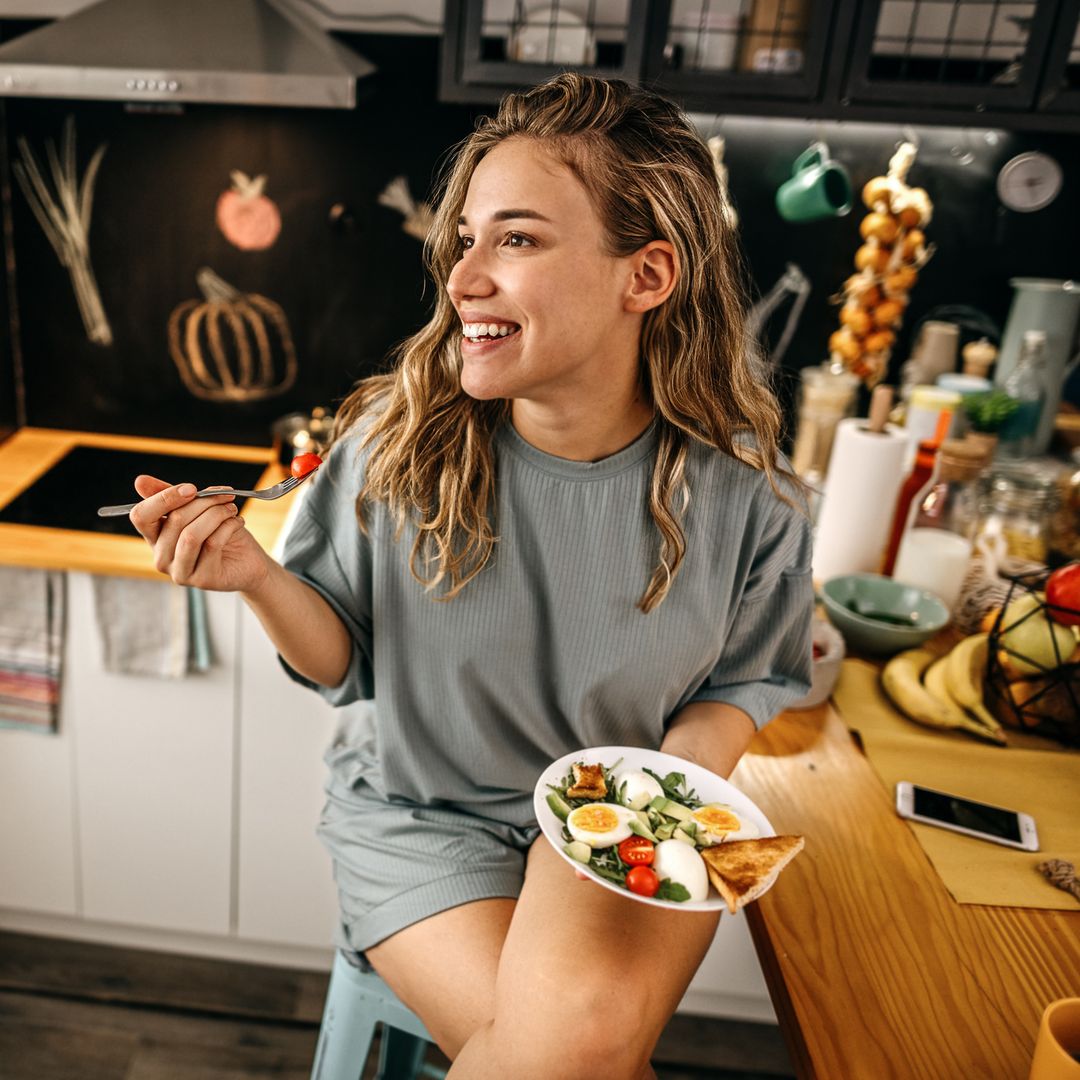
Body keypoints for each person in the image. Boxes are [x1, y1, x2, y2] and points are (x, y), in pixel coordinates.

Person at [130, 73, 814, 1080]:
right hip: (422, 814)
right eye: (466, 241)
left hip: (615, 807)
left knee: (571, 1057)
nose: (463, 278)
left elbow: (740, 685)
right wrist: (257, 578)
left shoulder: (746, 495)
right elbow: (342, 667)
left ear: (648, 275)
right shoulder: (393, 444)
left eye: (519, 240)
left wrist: (657, 799)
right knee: (569, 1061)